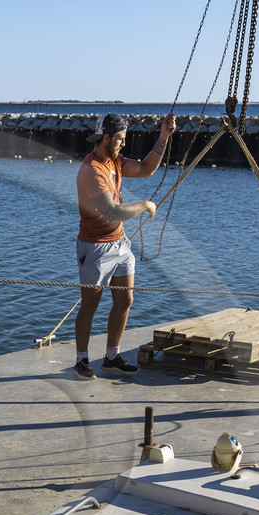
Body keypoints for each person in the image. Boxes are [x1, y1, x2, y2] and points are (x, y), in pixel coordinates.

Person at [73, 111, 176, 379]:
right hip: (95, 247)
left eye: (124, 138)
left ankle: (111, 357)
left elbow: (146, 169)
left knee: (125, 299)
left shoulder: (115, 162)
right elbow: (112, 212)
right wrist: (143, 205)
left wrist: (163, 136)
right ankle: (81, 361)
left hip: (120, 244)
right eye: (120, 138)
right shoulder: (92, 170)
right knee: (89, 306)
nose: (123, 143)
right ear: (105, 138)